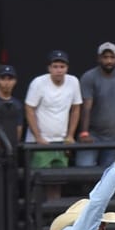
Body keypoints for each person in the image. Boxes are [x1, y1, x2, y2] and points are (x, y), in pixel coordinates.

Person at [25, 50, 82, 181]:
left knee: (58, 181)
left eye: (62, 67)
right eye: (55, 66)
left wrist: (70, 136)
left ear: (67, 68)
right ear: (49, 68)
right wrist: (38, 137)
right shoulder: (38, 82)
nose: (59, 70)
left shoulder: (73, 81)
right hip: (41, 142)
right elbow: (29, 109)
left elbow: (76, 109)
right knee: (39, 182)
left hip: (61, 141)